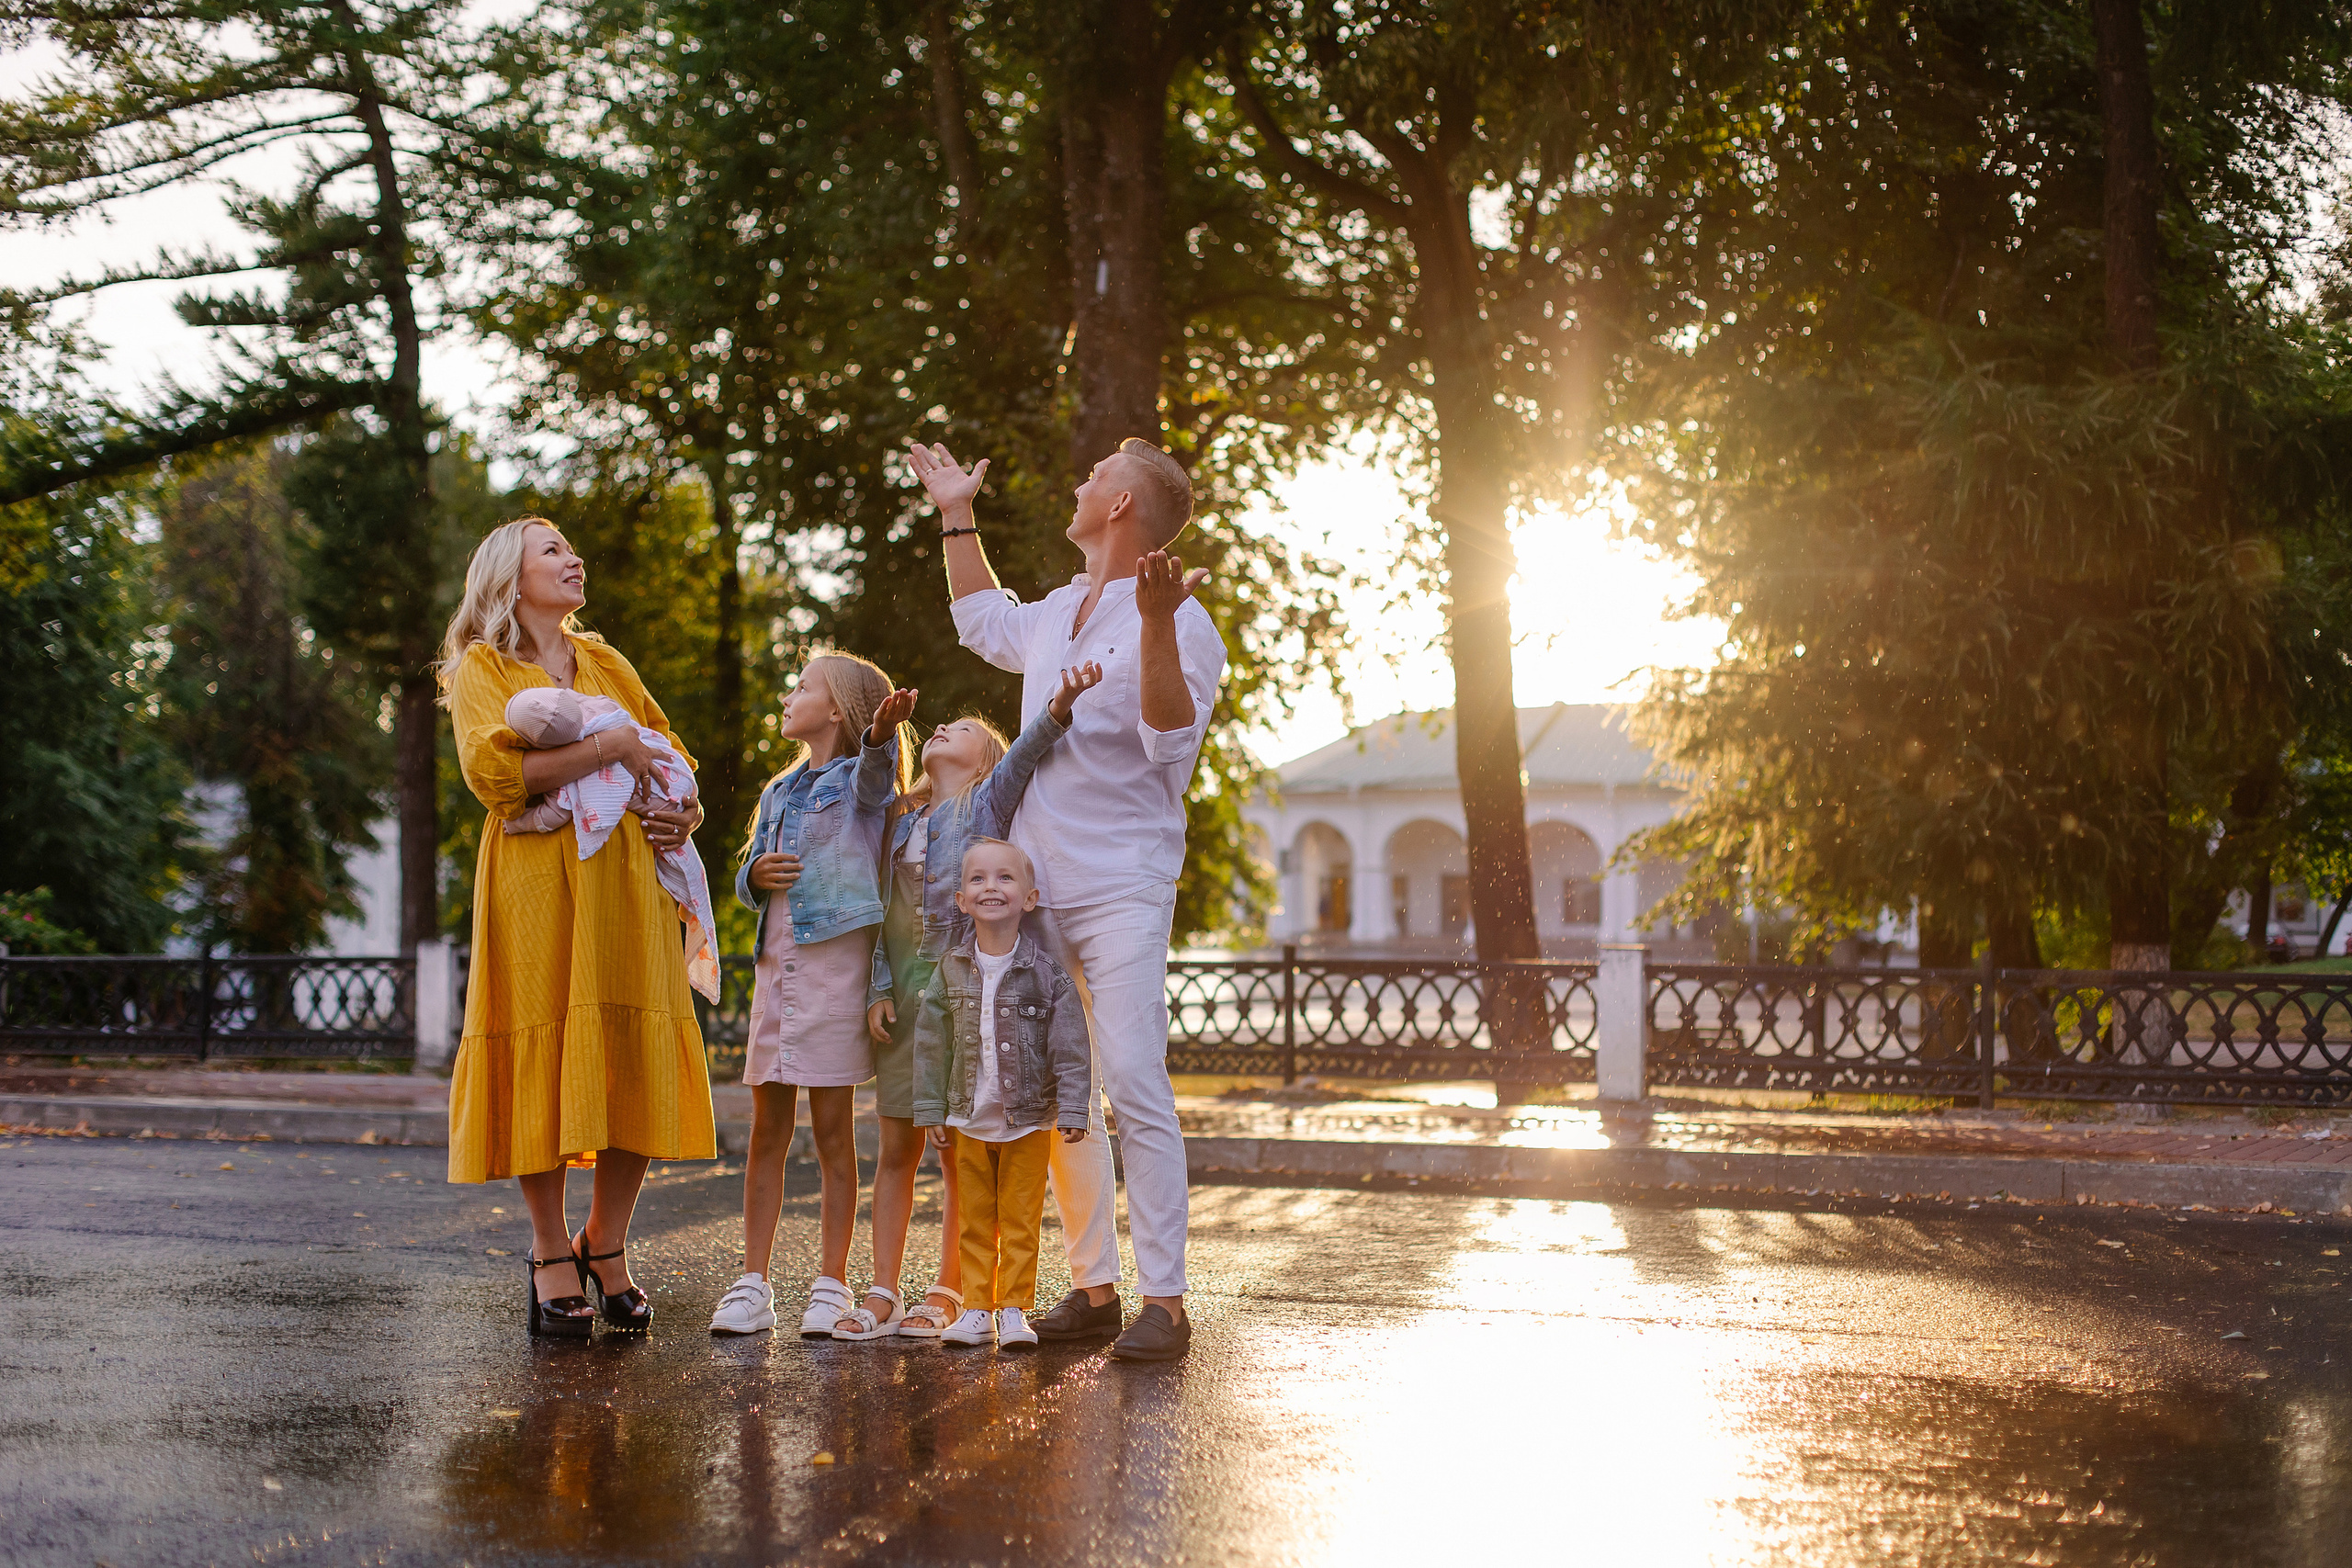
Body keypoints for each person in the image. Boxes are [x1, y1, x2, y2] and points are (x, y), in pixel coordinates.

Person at [905, 434, 1225, 1362]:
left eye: (1096, 477)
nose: (1081, 482)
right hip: (1036, 891)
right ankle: (1094, 1289)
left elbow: (1169, 739)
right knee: (1057, 1094)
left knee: (1131, 1078)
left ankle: (1164, 1299)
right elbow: (978, 617)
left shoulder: (1179, 616)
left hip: (1122, 883)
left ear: (1122, 505)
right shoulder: (1052, 613)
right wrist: (954, 513)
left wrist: (1160, 623)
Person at [438, 517, 714, 1337]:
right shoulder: (483, 667)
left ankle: (610, 1244)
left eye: (571, 548)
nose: (573, 558)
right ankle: (550, 1248)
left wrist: (686, 812)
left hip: (627, 881)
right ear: (509, 578)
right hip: (534, 885)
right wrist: (608, 747)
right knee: (541, 1045)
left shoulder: (607, 663)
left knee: (633, 1053)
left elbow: (667, 756)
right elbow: (495, 775)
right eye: (552, 549)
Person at [843, 666, 1102, 1341]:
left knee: (966, 1149)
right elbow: (884, 912)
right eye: (938, 725)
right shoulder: (901, 818)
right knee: (897, 1144)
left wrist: (1061, 703)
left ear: (983, 760)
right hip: (908, 997)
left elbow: (1025, 754)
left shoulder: (985, 807)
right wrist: (877, 988)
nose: (940, 728)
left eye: (959, 728)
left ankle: (954, 1286)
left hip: (967, 994)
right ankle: (881, 1289)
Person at [707, 653, 916, 1338]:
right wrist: (751, 876)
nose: (788, 694)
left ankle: (832, 1281)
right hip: (778, 974)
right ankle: (753, 1281)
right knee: (766, 1129)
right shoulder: (778, 791)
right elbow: (756, 874)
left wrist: (882, 735)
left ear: (837, 711)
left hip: (834, 982)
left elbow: (877, 777)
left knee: (832, 1132)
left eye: (803, 687)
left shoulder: (857, 784)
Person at [911, 838, 1093, 1350]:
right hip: (968, 1117)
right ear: (962, 901)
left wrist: (1074, 1106)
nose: (991, 886)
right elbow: (931, 1044)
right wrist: (931, 1109)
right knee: (974, 1219)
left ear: (1030, 898)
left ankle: (1013, 1308)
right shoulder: (949, 969)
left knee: (1019, 1218)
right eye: (977, 879)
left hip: (1029, 1120)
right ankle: (976, 1309)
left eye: (1005, 877)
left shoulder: (1048, 975)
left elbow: (1072, 1045)